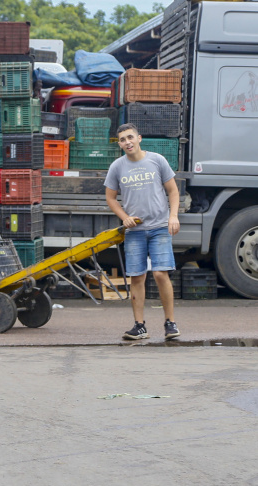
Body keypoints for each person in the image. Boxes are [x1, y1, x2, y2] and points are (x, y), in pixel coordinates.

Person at [105, 123, 181, 341]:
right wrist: (124, 218)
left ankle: (170, 323)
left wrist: (173, 216)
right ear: (119, 144)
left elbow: (173, 191)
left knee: (160, 273)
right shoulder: (117, 167)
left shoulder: (157, 160)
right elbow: (110, 198)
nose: (127, 142)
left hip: (159, 227)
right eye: (122, 140)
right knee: (136, 277)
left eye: (130, 137)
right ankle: (139, 326)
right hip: (135, 231)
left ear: (139, 138)